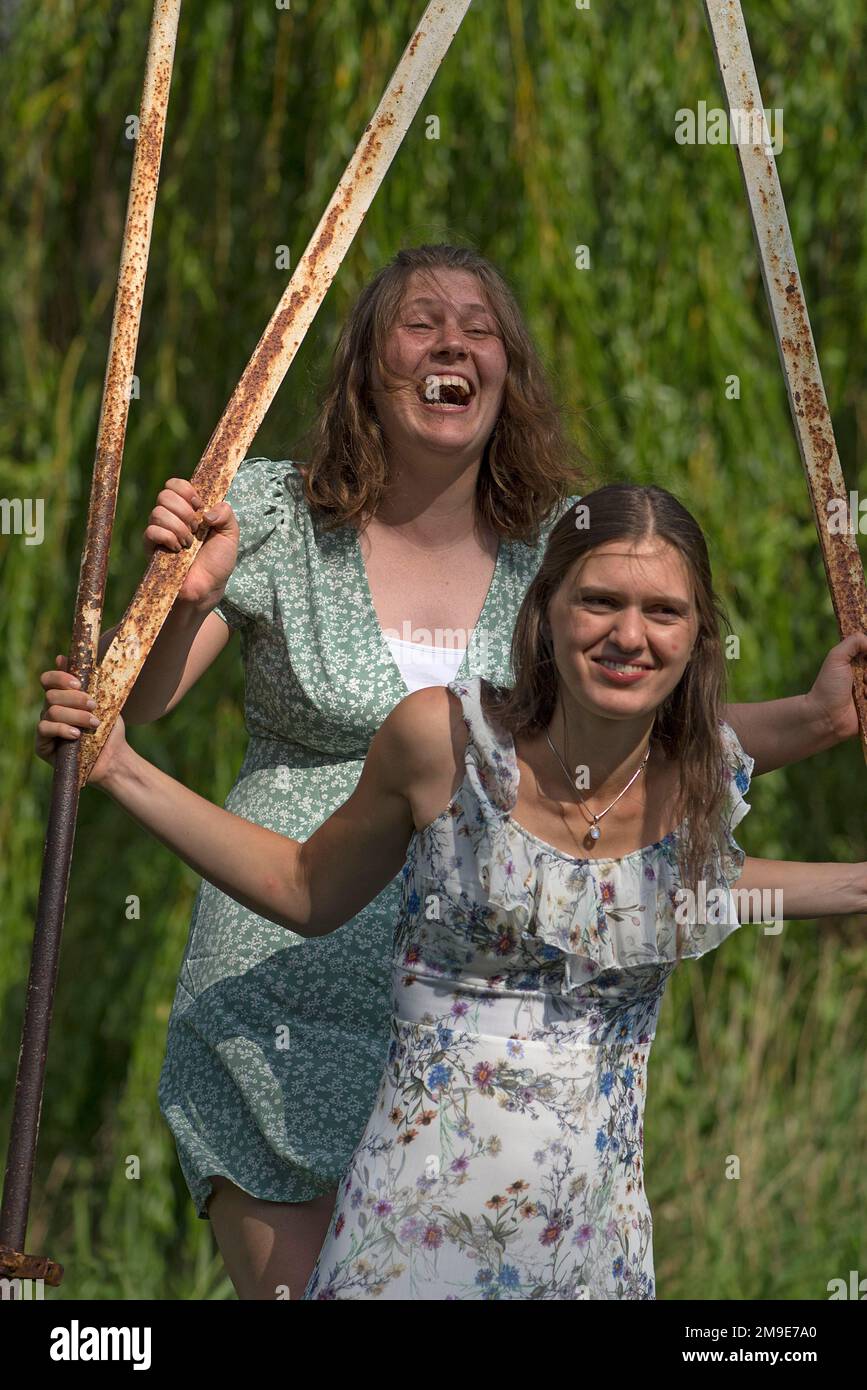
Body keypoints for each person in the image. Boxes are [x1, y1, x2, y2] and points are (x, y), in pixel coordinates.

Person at [36, 246, 863, 1300]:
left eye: (480, 327)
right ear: (366, 367)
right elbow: (139, 701)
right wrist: (187, 595)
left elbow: (614, 745)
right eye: (421, 321)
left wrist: (810, 717)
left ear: (507, 374)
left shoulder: (551, 552)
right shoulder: (274, 512)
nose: (452, 342)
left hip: (488, 979)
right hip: (288, 972)